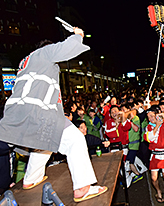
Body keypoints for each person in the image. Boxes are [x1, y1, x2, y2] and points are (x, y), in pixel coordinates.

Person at [0, 28, 107, 202]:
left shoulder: (25, 63)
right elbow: (68, 47)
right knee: (76, 140)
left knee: (45, 141)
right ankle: (82, 187)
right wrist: (78, 35)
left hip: (17, 113)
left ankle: (31, 178)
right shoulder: (43, 53)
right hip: (38, 113)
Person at [144, 106, 164, 205]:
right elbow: (149, 139)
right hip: (155, 155)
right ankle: (158, 191)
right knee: (153, 177)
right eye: (148, 117)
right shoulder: (148, 127)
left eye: (152, 116)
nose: (150, 119)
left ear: (157, 115)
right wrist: (156, 126)